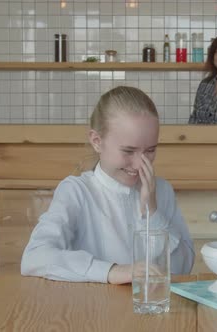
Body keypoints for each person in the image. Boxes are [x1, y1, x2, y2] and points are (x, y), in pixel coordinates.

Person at [21, 86, 195, 284]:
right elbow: (34, 258)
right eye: (128, 151)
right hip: (92, 310)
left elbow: (184, 268)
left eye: (150, 150)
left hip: (151, 310)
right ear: (97, 141)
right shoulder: (77, 191)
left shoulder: (161, 190)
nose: (140, 164)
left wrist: (153, 213)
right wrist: (113, 271)